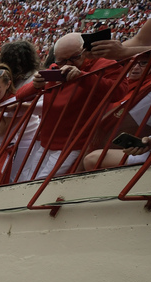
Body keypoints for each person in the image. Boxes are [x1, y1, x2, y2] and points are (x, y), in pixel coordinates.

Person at [16, 33, 127, 181]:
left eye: (74, 57)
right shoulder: (56, 68)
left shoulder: (105, 64)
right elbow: (20, 96)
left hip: (73, 143)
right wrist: (35, 86)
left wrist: (83, 77)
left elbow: (119, 92)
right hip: (45, 140)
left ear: (85, 51)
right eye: (62, 60)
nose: (69, 63)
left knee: (44, 183)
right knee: (27, 180)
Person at [90, 0, 151, 135]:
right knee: (104, 130)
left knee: (108, 133)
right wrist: (98, 54)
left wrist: (123, 53)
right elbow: (141, 40)